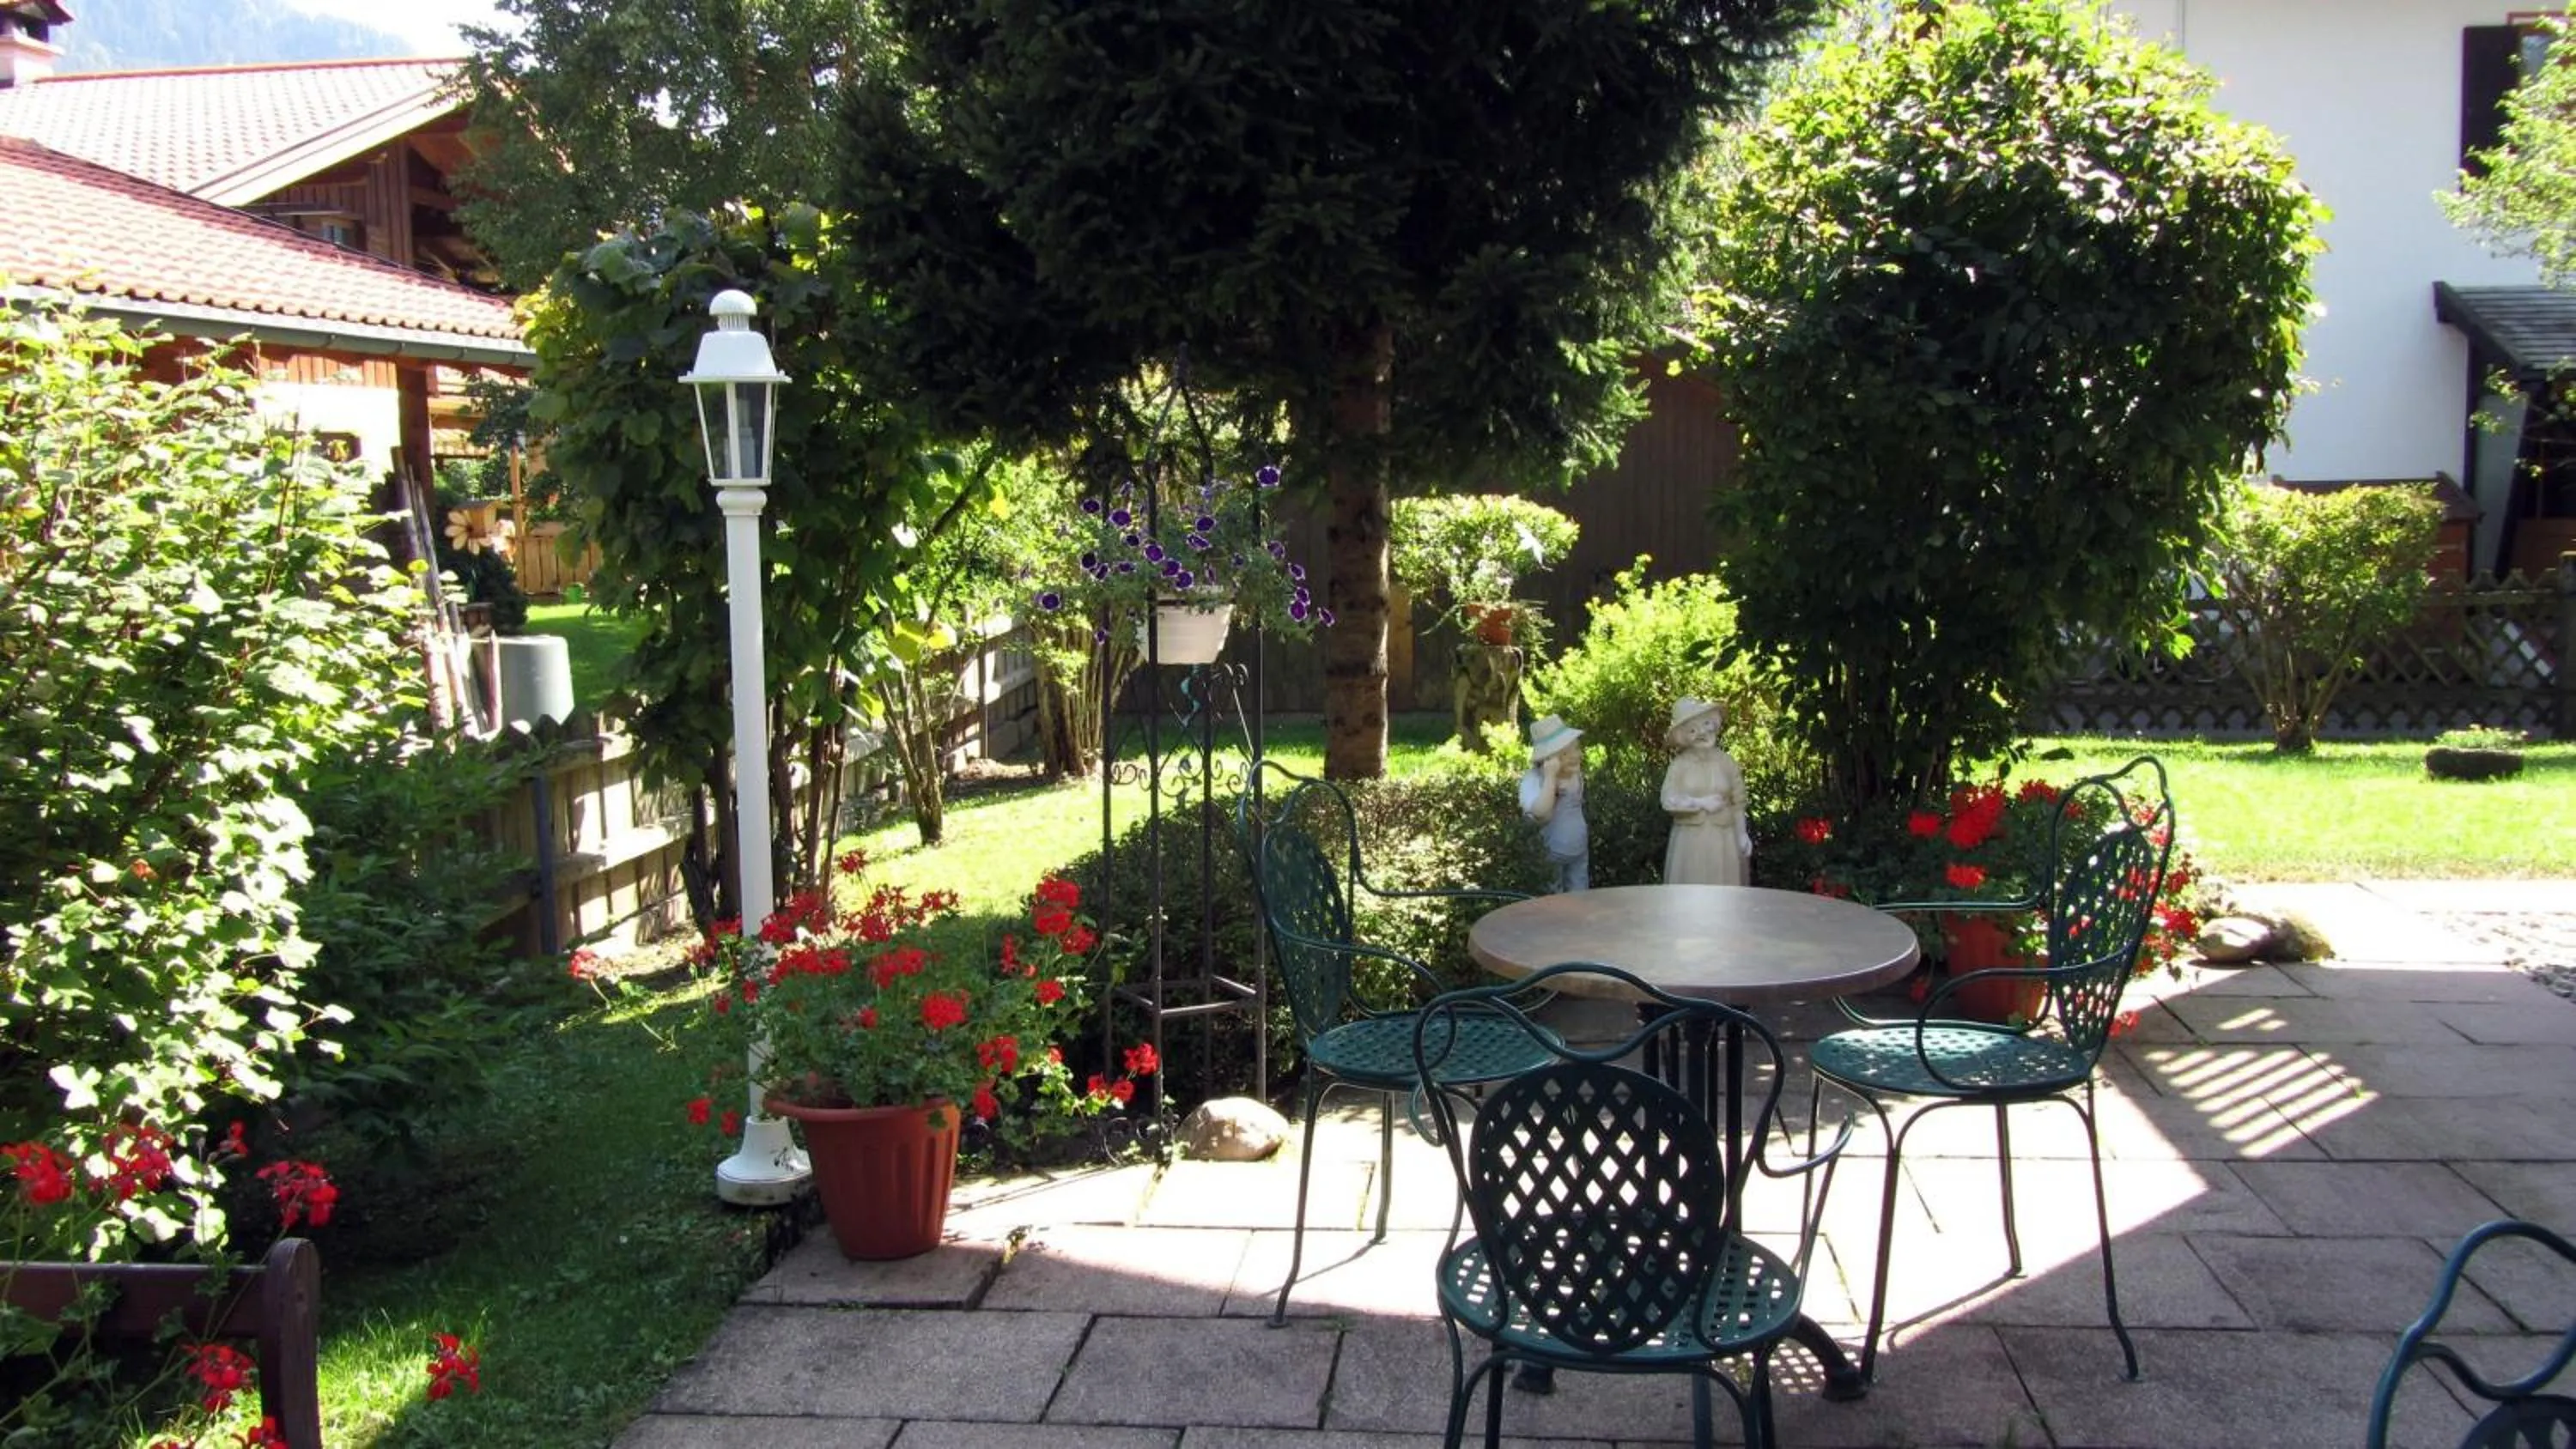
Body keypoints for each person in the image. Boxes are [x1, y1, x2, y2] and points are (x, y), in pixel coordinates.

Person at [1660, 697, 1750, 887]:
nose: (1701, 733)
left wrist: (1742, 834)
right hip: (1690, 841)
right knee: (1692, 888)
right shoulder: (1679, 766)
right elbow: (1668, 799)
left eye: (1706, 724)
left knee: (1726, 888)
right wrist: (1700, 803)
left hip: (1725, 839)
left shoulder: (1727, 762)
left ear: (1715, 724)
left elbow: (1739, 802)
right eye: (1692, 730)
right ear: (1683, 736)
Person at [1519, 715, 1589, 893]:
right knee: (1552, 897)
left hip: (1579, 850)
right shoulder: (1535, 781)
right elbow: (1541, 813)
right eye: (1566, 753)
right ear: (1547, 760)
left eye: (1576, 749)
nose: (1576, 756)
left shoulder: (1575, 776)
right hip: (1551, 853)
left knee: (1580, 893)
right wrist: (1550, 778)